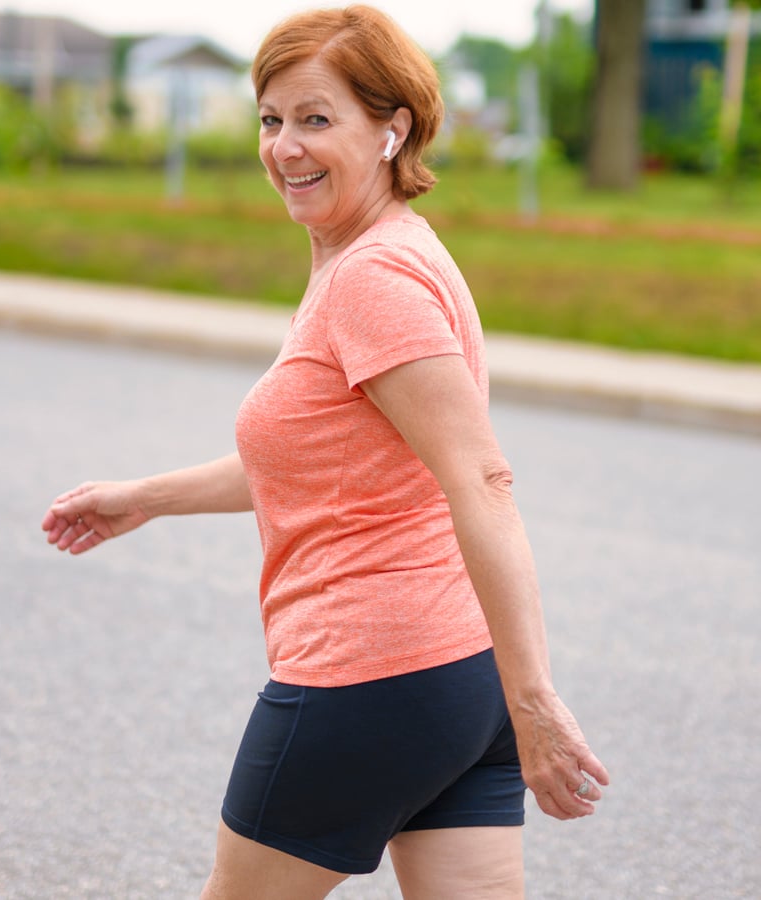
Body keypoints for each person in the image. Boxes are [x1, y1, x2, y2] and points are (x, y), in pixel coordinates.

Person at [41, 6, 608, 897]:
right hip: (457, 679)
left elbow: (484, 480)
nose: (286, 148)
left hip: (367, 677)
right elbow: (330, 467)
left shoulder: (373, 281)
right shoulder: (386, 254)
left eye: (317, 119)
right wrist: (145, 497)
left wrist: (538, 701)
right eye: (272, 120)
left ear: (394, 130)